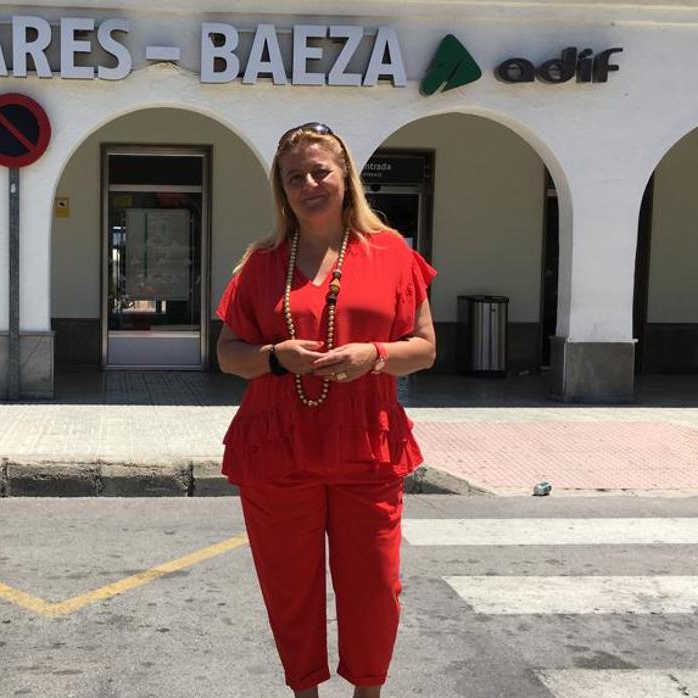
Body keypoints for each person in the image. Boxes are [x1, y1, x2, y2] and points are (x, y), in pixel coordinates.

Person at [215, 122, 437, 698]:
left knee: (376, 586)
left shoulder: (392, 254)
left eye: (320, 171)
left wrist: (376, 355)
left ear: (345, 177)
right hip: (277, 446)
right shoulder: (261, 263)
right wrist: (275, 357)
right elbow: (228, 354)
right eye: (295, 177)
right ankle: (305, 693)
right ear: (281, 190)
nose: (309, 184)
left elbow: (425, 348)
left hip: (366, 443)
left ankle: (368, 692)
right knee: (290, 588)